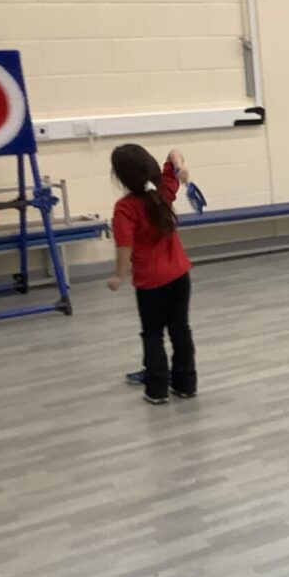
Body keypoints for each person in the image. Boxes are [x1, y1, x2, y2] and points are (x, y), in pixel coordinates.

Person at [108, 145, 196, 405]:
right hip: (179, 276)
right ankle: (186, 384)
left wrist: (119, 275)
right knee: (180, 329)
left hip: (150, 283)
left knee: (153, 334)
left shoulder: (125, 208)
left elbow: (124, 247)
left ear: (121, 177)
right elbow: (174, 152)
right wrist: (179, 166)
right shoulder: (164, 191)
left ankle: (156, 390)